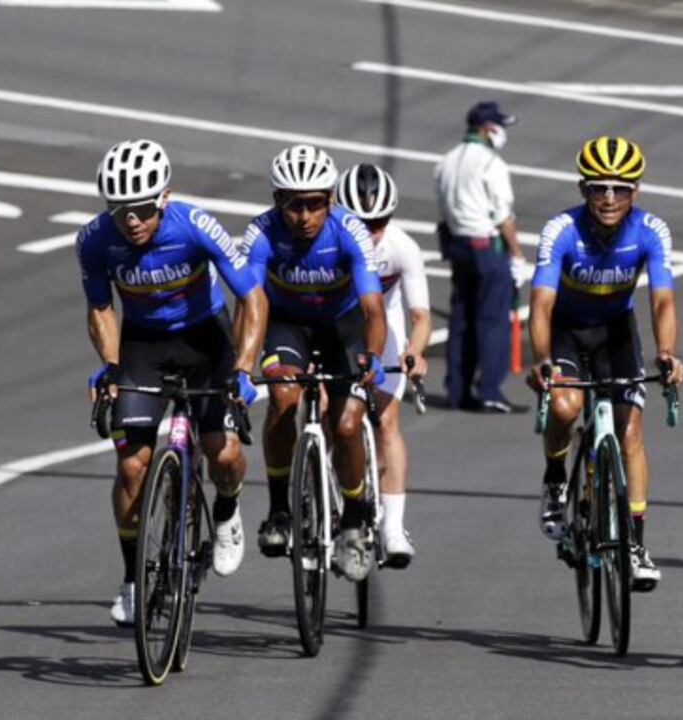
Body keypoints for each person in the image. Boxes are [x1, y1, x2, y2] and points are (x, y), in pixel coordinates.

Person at [78, 139, 267, 627]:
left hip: (207, 340)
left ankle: (226, 510)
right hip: (144, 345)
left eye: (141, 209)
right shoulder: (95, 239)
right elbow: (100, 309)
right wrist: (113, 365)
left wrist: (244, 368)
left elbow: (252, 298)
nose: (131, 220)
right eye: (120, 210)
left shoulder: (195, 225)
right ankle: (133, 580)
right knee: (131, 466)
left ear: (163, 197)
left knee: (222, 452)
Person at [527, 136, 683, 592]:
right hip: (566, 331)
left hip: (616, 332)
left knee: (631, 431)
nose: (610, 198)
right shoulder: (561, 230)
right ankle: (556, 479)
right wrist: (542, 360)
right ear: (583, 190)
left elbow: (662, 302)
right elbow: (539, 304)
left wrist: (667, 353)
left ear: (635, 191)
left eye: (620, 188)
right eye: (599, 188)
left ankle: (635, 545)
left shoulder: (652, 231)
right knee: (564, 408)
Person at [241, 144, 387, 582]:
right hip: (288, 325)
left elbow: (373, 309)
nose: (304, 216)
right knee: (283, 400)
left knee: (345, 426)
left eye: (315, 204)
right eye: (293, 204)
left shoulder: (349, 232)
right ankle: (280, 512)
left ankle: (357, 519)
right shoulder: (261, 233)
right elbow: (250, 301)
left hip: (343, 326)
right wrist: (243, 364)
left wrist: (373, 357)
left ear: (331, 200)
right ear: (276, 201)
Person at [336, 163, 432, 567]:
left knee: (387, 421)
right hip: (337, 328)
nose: (371, 231)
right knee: (330, 414)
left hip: (383, 328)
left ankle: (393, 526)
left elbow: (421, 316)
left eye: (378, 222)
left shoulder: (401, 247)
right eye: (361, 222)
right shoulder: (328, 241)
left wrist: (415, 351)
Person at [435, 100, 528, 413]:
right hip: (486, 246)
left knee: (462, 317)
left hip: (457, 243)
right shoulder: (491, 164)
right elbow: (503, 215)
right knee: (492, 318)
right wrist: (516, 255)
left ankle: (456, 389)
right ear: (489, 129)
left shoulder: (446, 160)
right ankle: (489, 389)